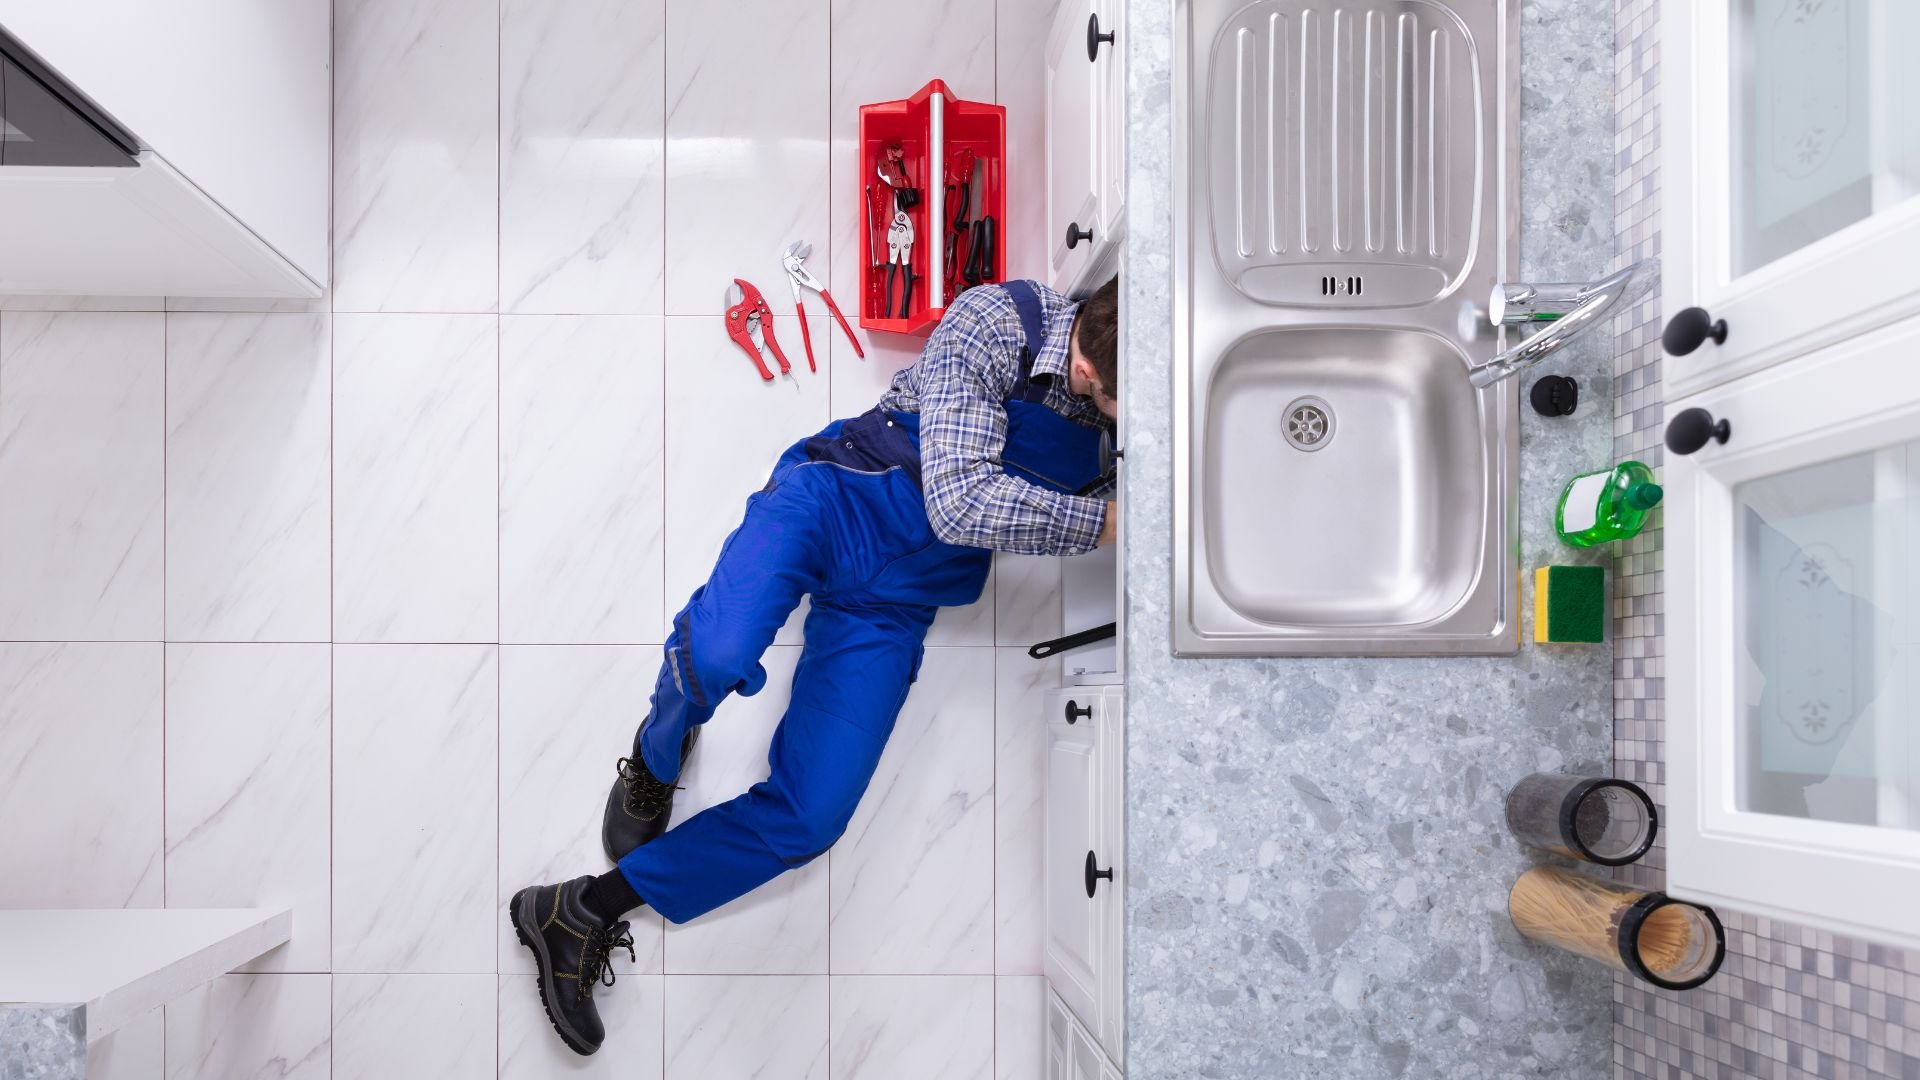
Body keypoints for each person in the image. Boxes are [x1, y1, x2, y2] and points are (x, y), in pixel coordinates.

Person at [507, 275, 1121, 1056]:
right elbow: (961, 505)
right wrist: (1110, 519)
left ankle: (577, 911)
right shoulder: (998, 319)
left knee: (813, 816)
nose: (1094, 398)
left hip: (895, 600)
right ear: (1092, 345)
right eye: (1098, 385)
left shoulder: (1119, 418)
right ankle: (656, 760)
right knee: (718, 653)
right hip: (831, 502)